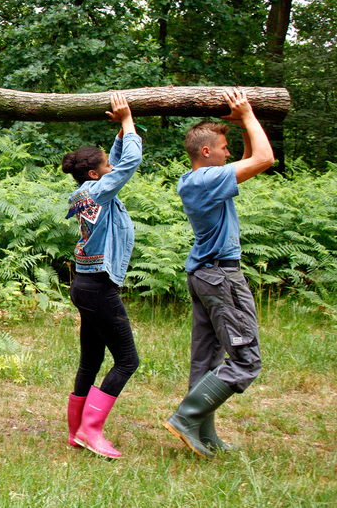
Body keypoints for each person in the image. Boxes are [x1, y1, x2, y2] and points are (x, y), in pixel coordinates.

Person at [164, 88, 273, 459]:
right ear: (207, 152)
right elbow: (264, 158)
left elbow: (248, 158)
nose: (229, 154)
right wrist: (245, 117)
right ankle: (186, 417)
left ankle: (203, 433)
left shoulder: (195, 179)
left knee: (206, 360)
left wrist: (243, 127)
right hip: (222, 278)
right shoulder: (208, 180)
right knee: (246, 359)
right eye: (224, 148)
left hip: (204, 276)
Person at [60, 93, 143, 459]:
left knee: (91, 360)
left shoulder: (86, 189)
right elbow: (130, 163)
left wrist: (120, 133)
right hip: (97, 288)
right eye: (105, 165)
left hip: (85, 283)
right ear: (95, 173)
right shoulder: (101, 189)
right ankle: (92, 431)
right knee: (127, 360)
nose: (111, 167)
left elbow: (117, 161)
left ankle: (76, 432)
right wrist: (128, 122)